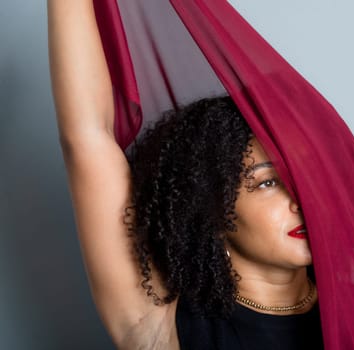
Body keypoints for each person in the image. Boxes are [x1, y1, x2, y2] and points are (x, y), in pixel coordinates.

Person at [48, 1, 323, 349]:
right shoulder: (160, 324)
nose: (299, 201)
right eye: (267, 182)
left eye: (302, 177)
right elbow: (86, 137)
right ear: (212, 210)